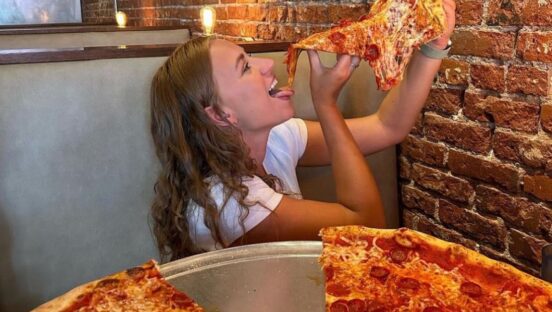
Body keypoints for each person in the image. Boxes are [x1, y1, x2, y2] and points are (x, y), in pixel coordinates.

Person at [150, 0, 456, 261]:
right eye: (245, 67)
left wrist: (434, 46)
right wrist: (326, 104)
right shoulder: (224, 204)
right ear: (219, 114)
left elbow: (387, 127)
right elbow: (366, 226)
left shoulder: (277, 138)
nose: (268, 65)